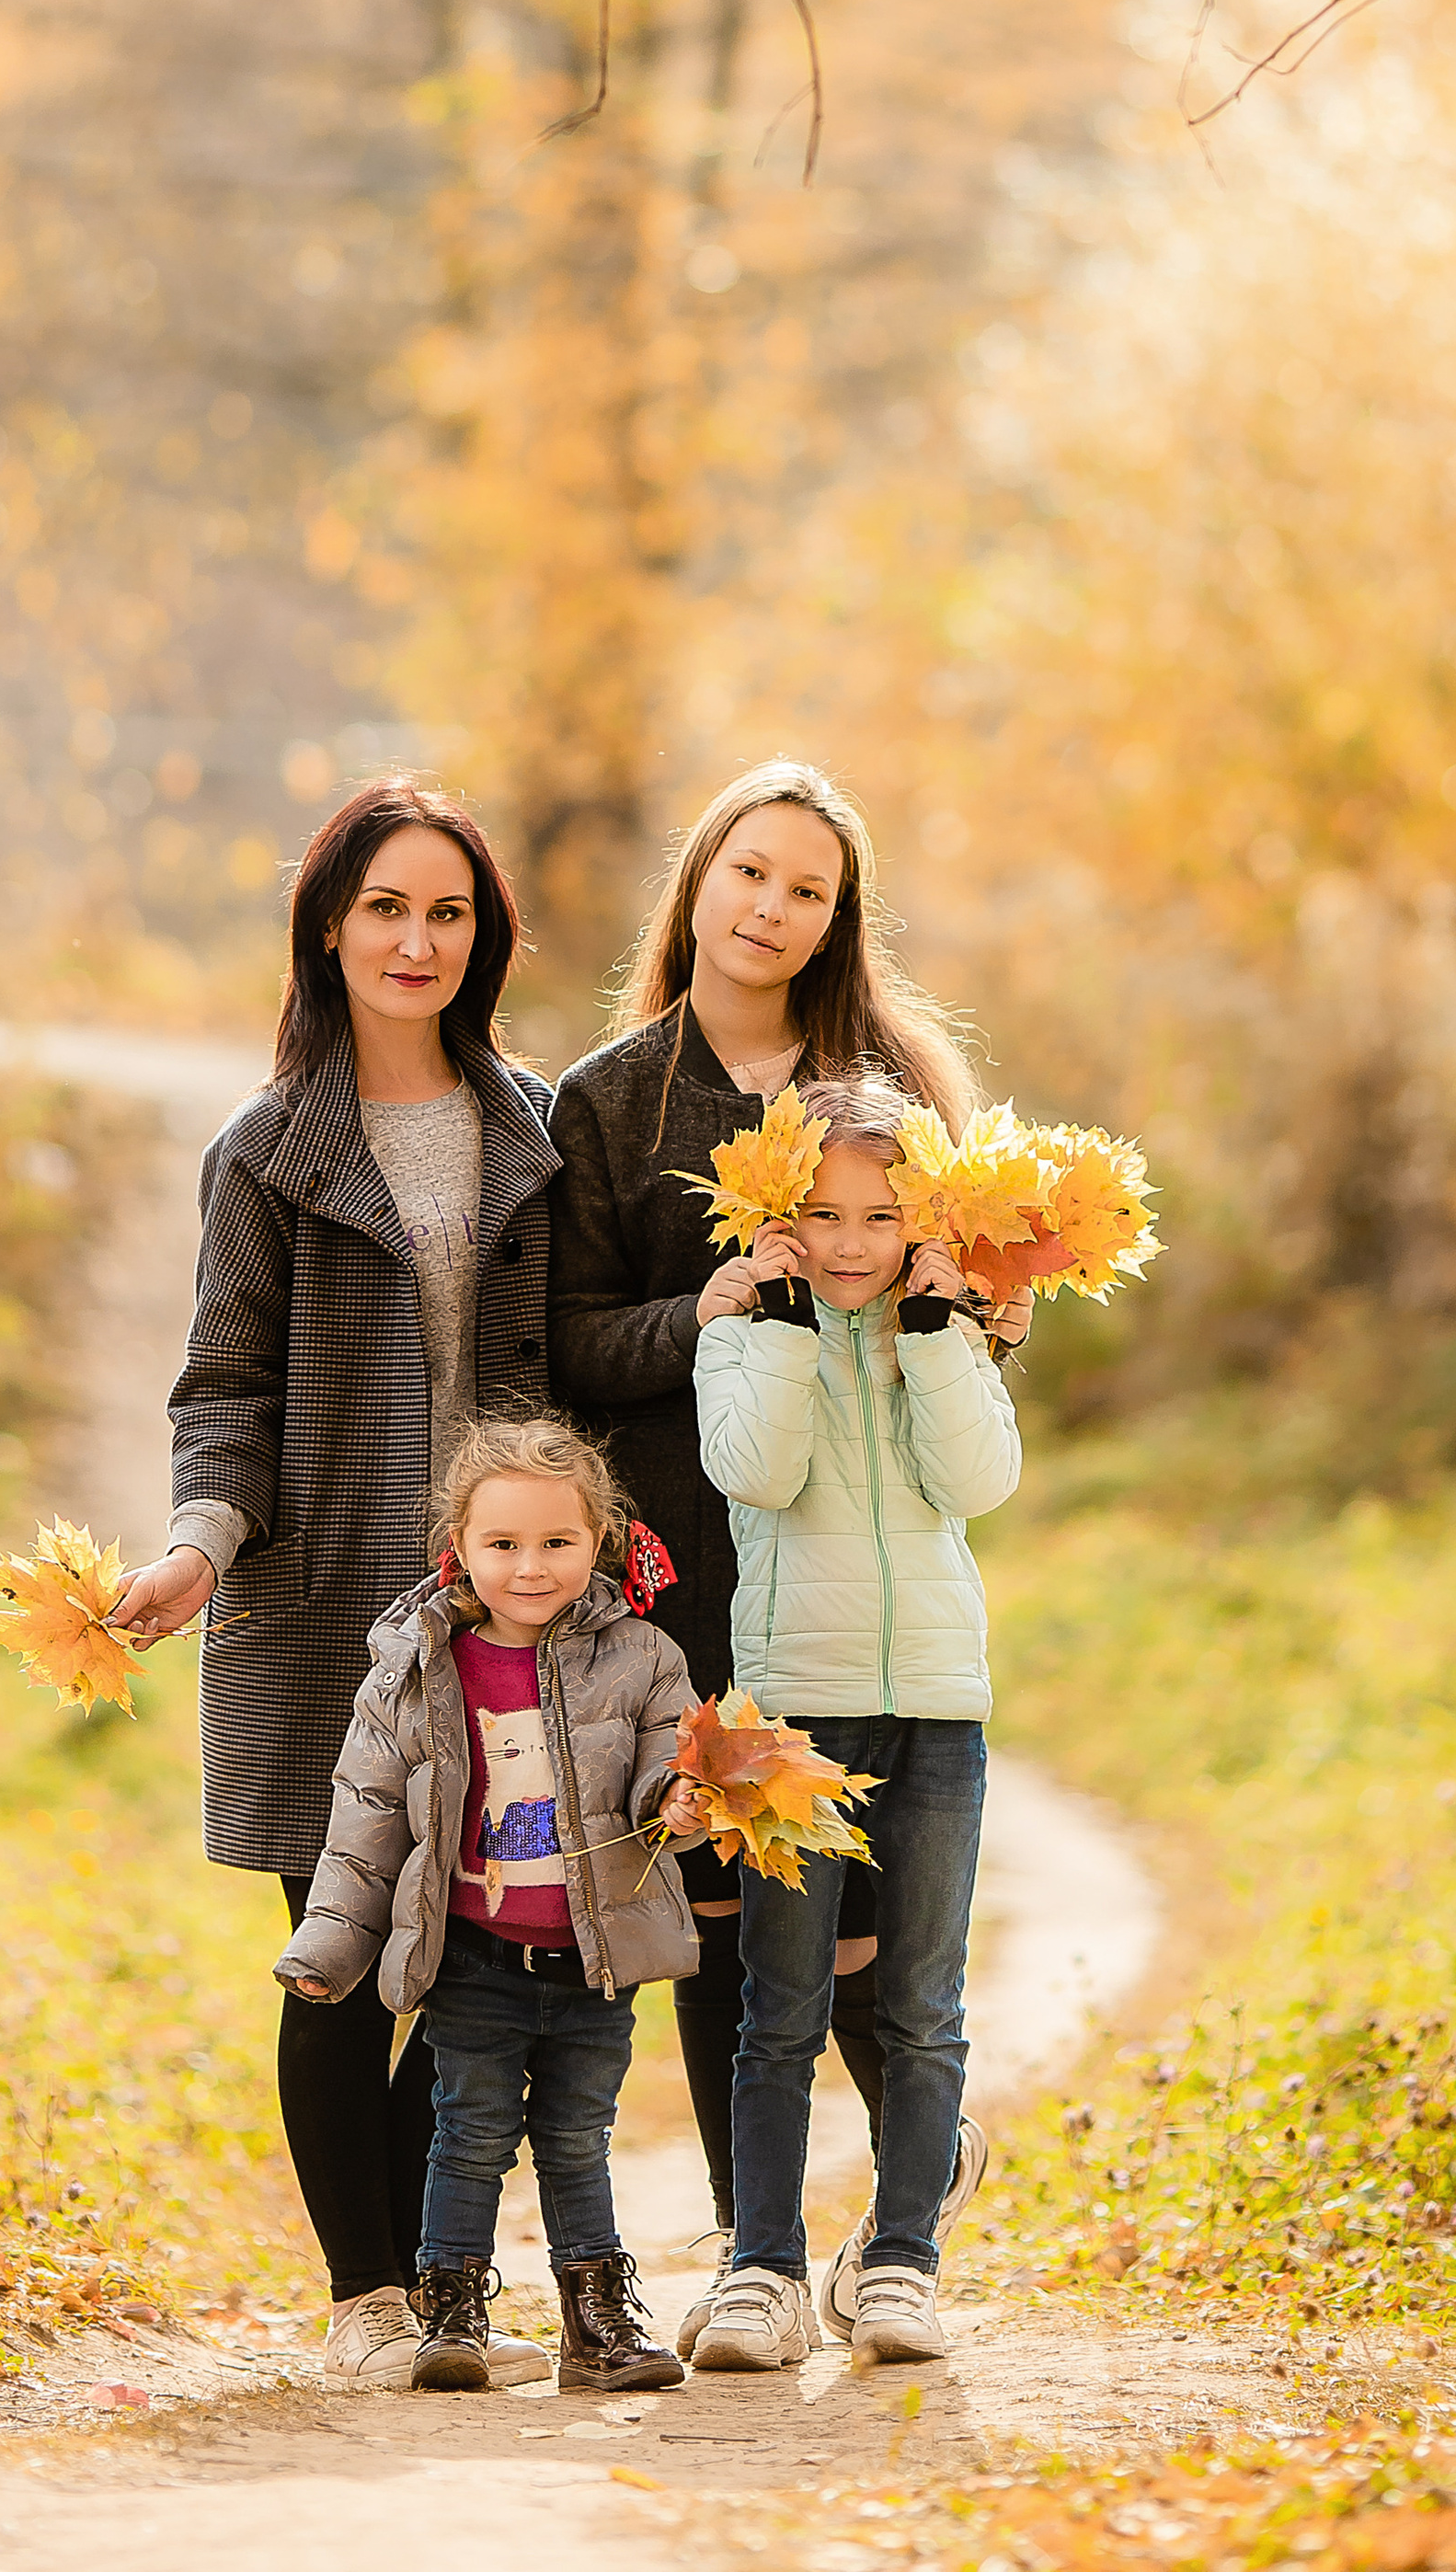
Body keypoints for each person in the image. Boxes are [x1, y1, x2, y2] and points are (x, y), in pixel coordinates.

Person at [109, 777, 561, 2394]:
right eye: (385, 908)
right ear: (327, 928)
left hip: (507, 1617)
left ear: (483, 937)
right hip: (317, 1614)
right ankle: (367, 2293)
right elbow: (222, 1386)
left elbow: (576, 1364)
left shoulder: (536, 1128)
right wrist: (196, 1544)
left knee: (497, 1957)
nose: (416, 939)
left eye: (448, 912)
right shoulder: (266, 1152)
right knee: (348, 1946)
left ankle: (431, 2280)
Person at [544, 756, 989, 2329]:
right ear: (700, 882)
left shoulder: (895, 1088)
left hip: (848, 1558)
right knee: (731, 1910)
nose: (773, 908)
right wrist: (704, 1309)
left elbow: (977, 1313)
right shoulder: (608, 1101)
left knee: (864, 1926)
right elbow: (569, 1343)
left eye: (808, 888)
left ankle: (913, 2172)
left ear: (837, 918)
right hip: (683, 1560)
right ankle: (759, 2263)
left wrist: (962, 1318)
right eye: (751, 873)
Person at [684, 1075, 1023, 2374]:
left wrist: (941, 1334)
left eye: (879, 1217)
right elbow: (755, 1472)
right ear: (777, 1218)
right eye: (819, 1215)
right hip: (794, 1710)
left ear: (919, 1223)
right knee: (781, 2003)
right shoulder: (740, 1330)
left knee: (926, 2008)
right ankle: (761, 2266)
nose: (846, 1243)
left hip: (939, 1704)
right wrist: (765, 1319)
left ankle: (900, 2265)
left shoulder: (945, 1332)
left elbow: (976, 1483)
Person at [276, 1417, 702, 2394]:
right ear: (458, 1547)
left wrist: (674, 1802)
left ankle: (594, 2319)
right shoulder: (419, 1668)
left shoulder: (641, 1658)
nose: (530, 1567)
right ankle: (451, 2312)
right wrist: (329, 1948)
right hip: (473, 1953)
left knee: (575, 2139)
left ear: (599, 1540)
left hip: (593, 1957)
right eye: (502, 1544)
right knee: (466, 2133)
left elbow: (663, 1771)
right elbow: (368, 1812)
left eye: (557, 1542)